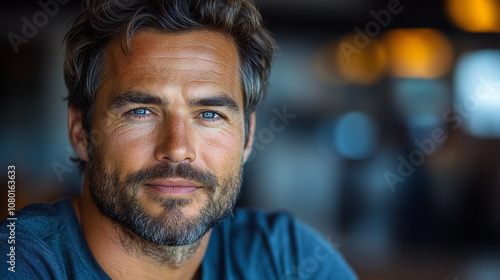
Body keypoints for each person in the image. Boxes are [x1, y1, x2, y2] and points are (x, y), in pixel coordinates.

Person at [0, 0, 357, 279]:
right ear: (80, 132)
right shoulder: (19, 262)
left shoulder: (285, 257)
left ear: (247, 136)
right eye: (141, 111)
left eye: (210, 114)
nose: (177, 148)